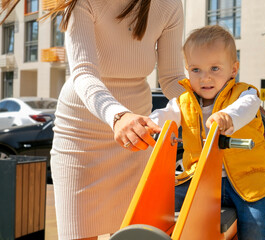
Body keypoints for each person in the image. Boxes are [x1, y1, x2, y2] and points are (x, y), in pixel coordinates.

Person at [1, 0, 186, 239]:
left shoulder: (169, 4)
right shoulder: (82, 2)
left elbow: (172, 78)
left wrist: (209, 109)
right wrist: (118, 115)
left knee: (130, 232)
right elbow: (84, 73)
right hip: (81, 136)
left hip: (134, 141)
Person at [149, 25, 265, 240]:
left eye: (215, 69)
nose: (205, 78)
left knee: (256, 227)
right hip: (198, 178)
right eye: (196, 70)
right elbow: (166, 114)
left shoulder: (244, 94)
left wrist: (227, 116)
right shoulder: (185, 100)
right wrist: (149, 123)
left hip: (246, 182)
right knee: (161, 203)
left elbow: (246, 108)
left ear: (233, 70)